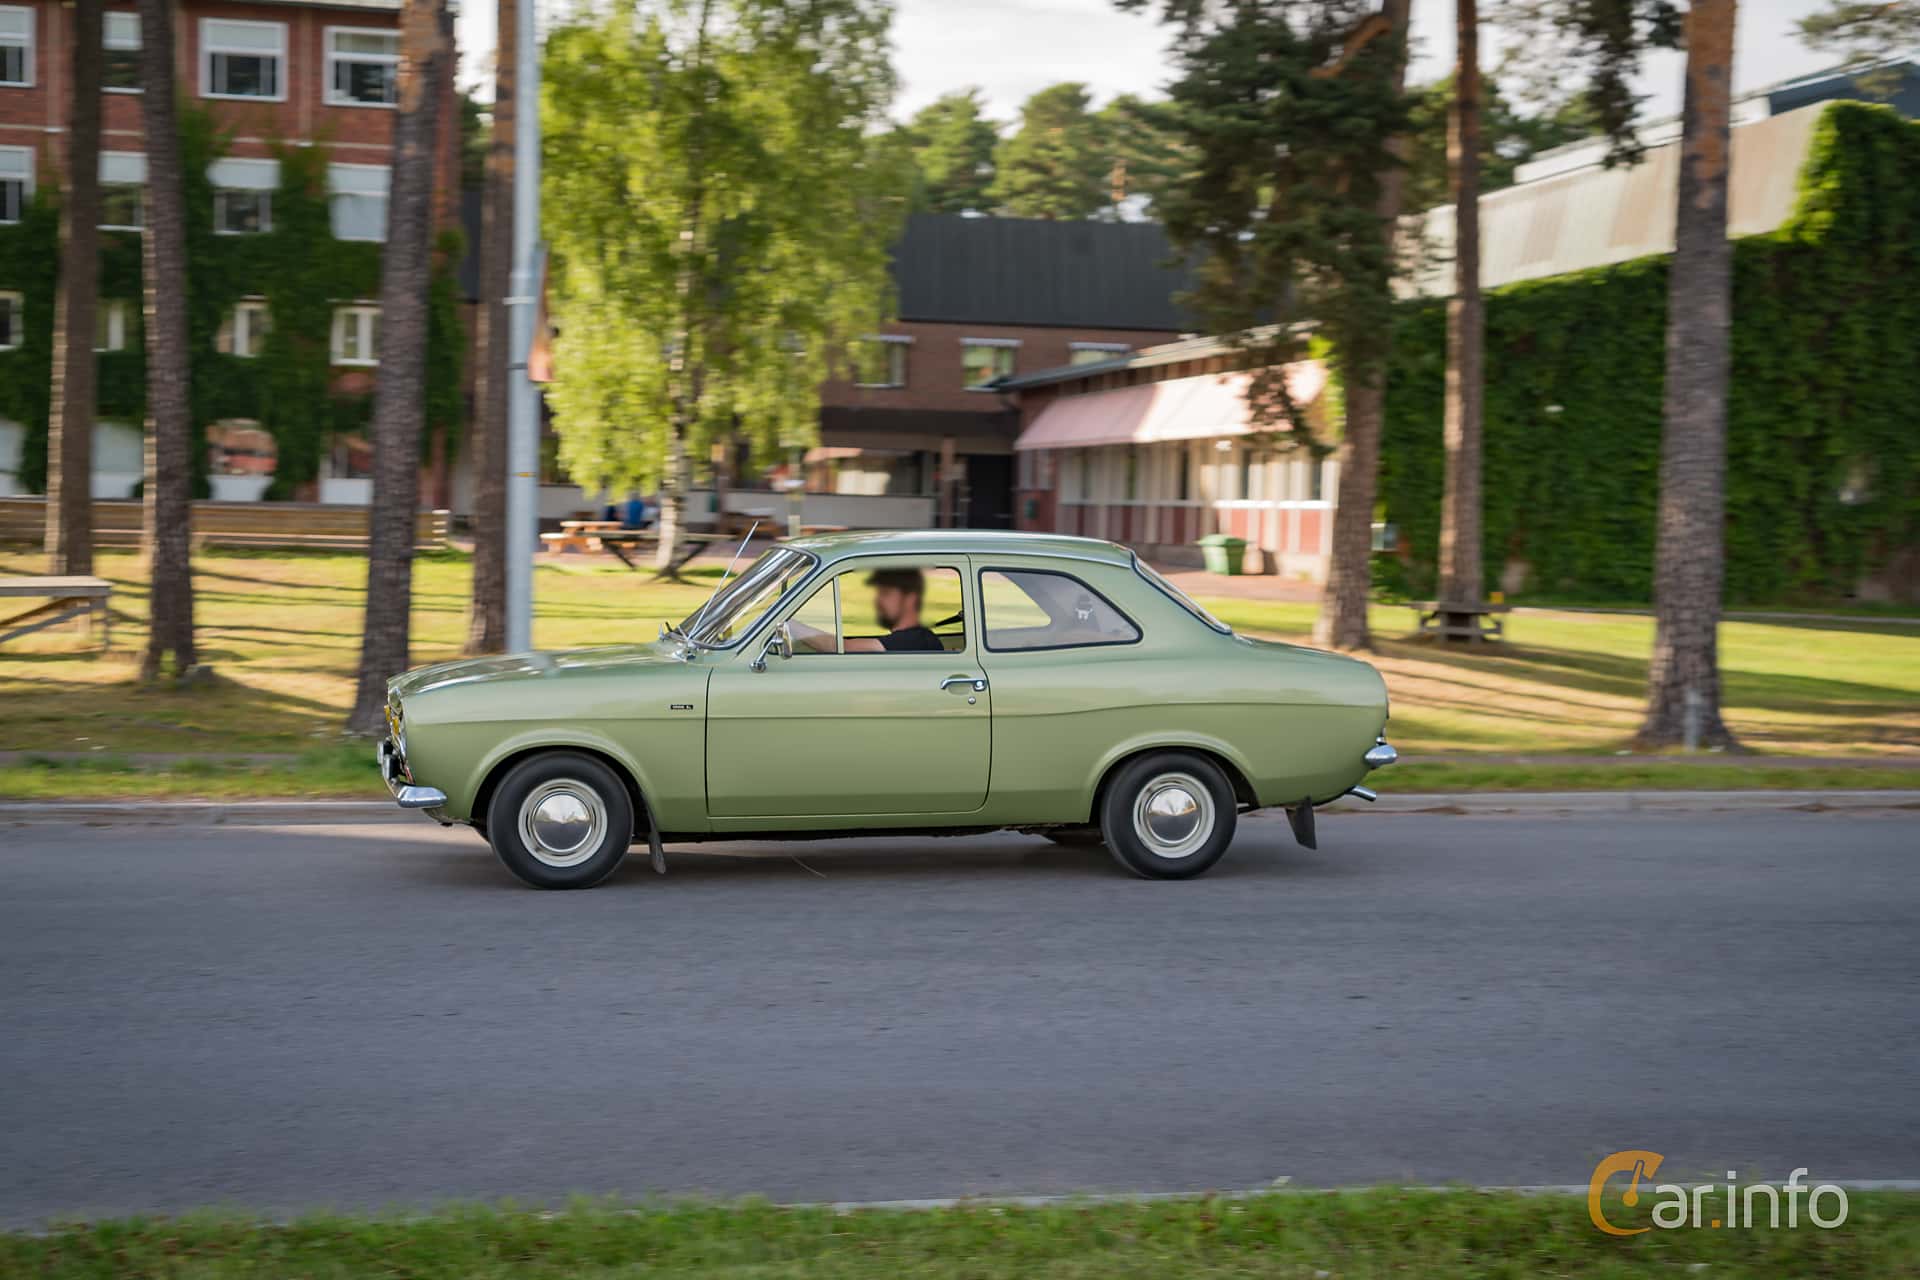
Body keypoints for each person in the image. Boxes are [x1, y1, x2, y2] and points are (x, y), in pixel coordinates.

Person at [793, 568, 945, 653]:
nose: (878, 600)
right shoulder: (919, 638)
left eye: (886, 593)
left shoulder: (912, 641)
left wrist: (790, 625)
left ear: (910, 599)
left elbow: (839, 648)